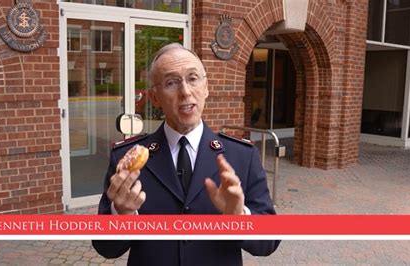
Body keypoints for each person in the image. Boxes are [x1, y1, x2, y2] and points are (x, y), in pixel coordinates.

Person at [92, 43, 280, 266]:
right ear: (154, 98)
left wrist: (239, 217)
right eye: (171, 82)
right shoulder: (127, 160)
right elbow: (105, 247)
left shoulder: (242, 156)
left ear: (206, 87)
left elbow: (269, 241)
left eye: (193, 78)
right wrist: (120, 215)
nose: (185, 91)